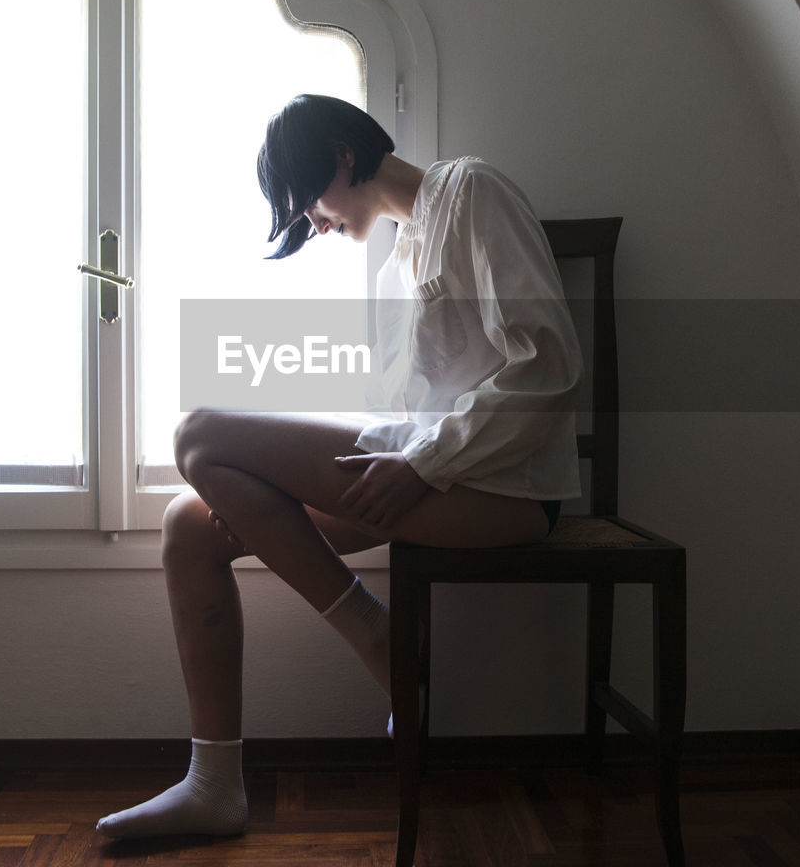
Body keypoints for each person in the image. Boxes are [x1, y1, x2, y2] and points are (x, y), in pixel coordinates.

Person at [96, 94, 583, 839]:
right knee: (188, 523)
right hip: (437, 476)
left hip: (505, 493)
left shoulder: (470, 192)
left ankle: (375, 637)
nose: (316, 226)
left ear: (342, 153)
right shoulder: (400, 258)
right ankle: (214, 785)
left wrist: (421, 462)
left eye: (308, 205)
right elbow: (419, 409)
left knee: (197, 434)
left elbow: (548, 365)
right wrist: (368, 457)